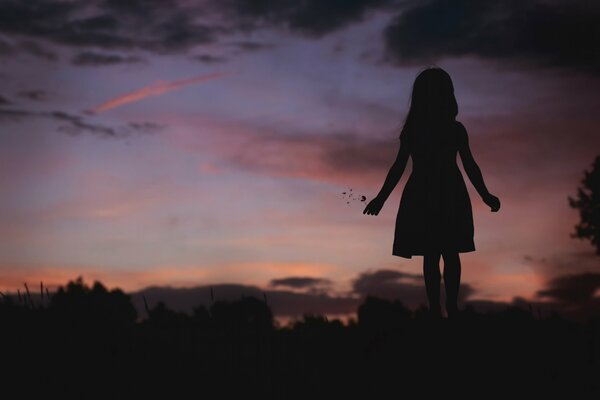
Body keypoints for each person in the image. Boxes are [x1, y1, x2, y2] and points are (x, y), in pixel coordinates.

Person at [363, 67, 500, 320]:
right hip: (442, 192)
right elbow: (400, 166)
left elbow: (469, 164)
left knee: (440, 252)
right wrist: (380, 198)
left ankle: (444, 308)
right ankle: (442, 308)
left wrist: (485, 194)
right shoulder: (437, 130)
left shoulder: (444, 130)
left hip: (430, 193)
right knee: (442, 252)